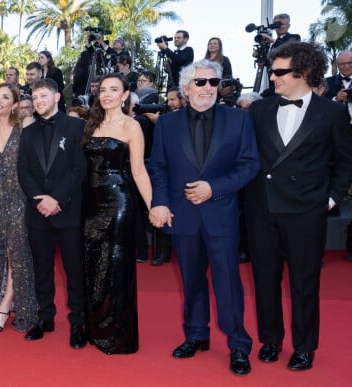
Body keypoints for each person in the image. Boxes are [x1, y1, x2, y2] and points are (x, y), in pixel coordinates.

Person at [245, 41, 352, 371]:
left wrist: (330, 198)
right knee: (264, 279)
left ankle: (305, 346)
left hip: (306, 211)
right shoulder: (259, 110)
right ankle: (270, 340)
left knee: (305, 283)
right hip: (262, 209)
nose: (272, 77)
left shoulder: (332, 112)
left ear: (303, 72)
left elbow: (345, 161)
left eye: (279, 71)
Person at [148, 59, 259, 376]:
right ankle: (196, 335)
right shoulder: (167, 124)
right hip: (182, 215)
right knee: (191, 280)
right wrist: (160, 202)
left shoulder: (238, 120)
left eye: (214, 82)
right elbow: (158, 167)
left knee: (228, 283)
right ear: (185, 88)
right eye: (201, 82)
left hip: (220, 213)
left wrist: (214, 188)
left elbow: (250, 165)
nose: (208, 87)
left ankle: (239, 344)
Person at [82, 73, 153, 354]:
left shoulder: (131, 126)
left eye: (114, 90)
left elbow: (138, 170)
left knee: (115, 268)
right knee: (93, 268)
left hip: (118, 203)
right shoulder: (91, 123)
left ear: (125, 95)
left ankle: (117, 335)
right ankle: (96, 329)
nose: (107, 94)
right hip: (90, 205)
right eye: (102, 90)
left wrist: (152, 206)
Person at [17, 78, 87, 348]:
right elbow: (24, 171)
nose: (38, 102)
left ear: (57, 97)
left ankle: (78, 323)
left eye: (43, 96)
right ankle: (45, 317)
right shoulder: (29, 131)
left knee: (73, 270)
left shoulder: (76, 126)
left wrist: (56, 199)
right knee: (42, 269)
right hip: (38, 213)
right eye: (35, 98)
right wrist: (40, 202)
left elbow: (79, 169)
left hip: (67, 210)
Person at [0, 83, 38, 334]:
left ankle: (6, 308)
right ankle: (14, 304)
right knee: (3, 254)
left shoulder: (25, 127)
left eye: (5, 97)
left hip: (21, 200)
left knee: (18, 255)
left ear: (15, 104)